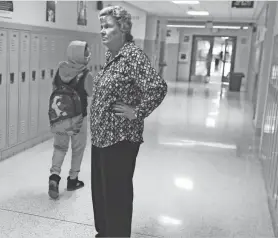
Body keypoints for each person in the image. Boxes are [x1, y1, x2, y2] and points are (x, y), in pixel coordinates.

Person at [90, 6, 168, 237]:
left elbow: (157, 87)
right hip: (101, 137)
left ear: (123, 28)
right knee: (101, 191)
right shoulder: (112, 56)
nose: (103, 31)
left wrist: (137, 111)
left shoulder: (132, 55)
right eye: (101, 27)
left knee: (116, 194)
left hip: (120, 139)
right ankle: (103, 232)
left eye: (108, 26)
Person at [48, 41, 93, 199]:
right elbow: (91, 93)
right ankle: (72, 180)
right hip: (79, 117)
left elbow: (54, 88)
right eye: (86, 52)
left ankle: (54, 177)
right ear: (79, 55)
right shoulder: (86, 74)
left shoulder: (60, 70)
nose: (88, 55)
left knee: (60, 148)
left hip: (60, 116)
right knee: (77, 149)